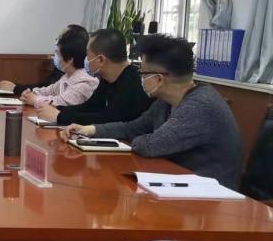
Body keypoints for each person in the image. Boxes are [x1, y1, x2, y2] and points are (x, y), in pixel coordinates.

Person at [61, 34, 243, 189]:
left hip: (208, 193)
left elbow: (150, 146)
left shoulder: (200, 105)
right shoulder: (166, 101)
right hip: (177, 181)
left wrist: (136, 139)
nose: (140, 78)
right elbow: (134, 127)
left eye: (142, 73)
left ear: (158, 79)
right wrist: (91, 130)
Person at [36, 28, 152, 126]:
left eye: (88, 55)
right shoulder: (106, 78)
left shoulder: (132, 84)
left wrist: (60, 116)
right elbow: (90, 106)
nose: (85, 59)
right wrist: (57, 109)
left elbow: (107, 119)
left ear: (101, 60)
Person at [0, 24, 88, 96]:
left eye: (60, 40)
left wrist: (18, 90)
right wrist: (17, 88)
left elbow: (60, 102)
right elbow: (45, 89)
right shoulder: (64, 75)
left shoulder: (82, 80)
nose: (57, 44)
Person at [20, 32, 97, 108]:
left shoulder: (84, 83)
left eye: (58, 55)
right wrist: (31, 93)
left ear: (70, 59)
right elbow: (49, 90)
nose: (56, 58)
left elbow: (61, 102)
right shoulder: (67, 77)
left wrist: (35, 99)